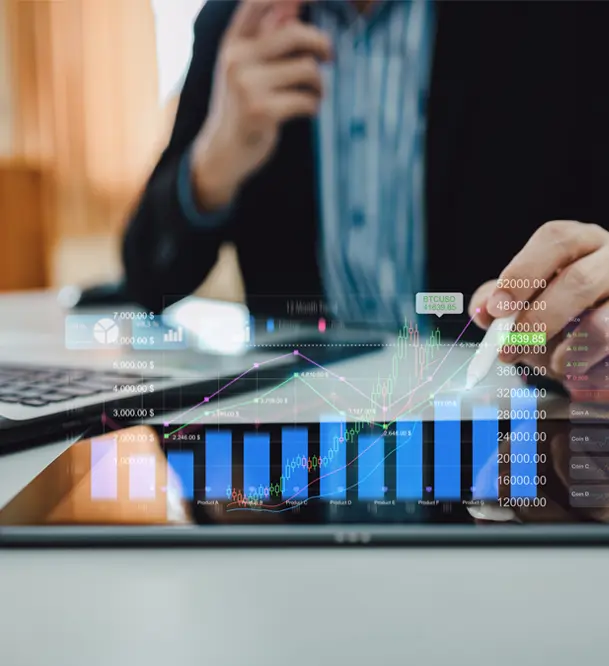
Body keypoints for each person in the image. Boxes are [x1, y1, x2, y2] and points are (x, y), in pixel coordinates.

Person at [123, 0, 609, 396]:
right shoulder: (238, 23)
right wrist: (215, 160)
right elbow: (148, 273)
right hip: (300, 438)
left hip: (512, 420)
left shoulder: (569, 18)